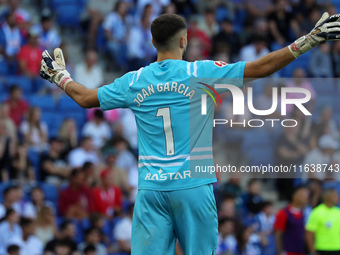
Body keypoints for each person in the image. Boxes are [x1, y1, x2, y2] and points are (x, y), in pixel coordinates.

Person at [39, 12, 340, 255]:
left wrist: (59, 75)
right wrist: (308, 40)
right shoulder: (201, 73)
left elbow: (86, 98)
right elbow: (260, 69)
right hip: (192, 186)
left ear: (154, 42)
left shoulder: (134, 80)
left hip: (151, 190)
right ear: (184, 40)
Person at [274, 186, 310, 255]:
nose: (306, 198)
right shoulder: (283, 213)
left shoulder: (306, 213)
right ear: (295, 196)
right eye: (303, 195)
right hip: (288, 251)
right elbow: (278, 235)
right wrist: (279, 252)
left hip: (302, 251)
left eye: (307, 196)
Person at [306, 187, 340, 255]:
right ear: (327, 197)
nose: (338, 197)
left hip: (338, 248)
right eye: (334, 195)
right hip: (322, 249)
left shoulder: (338, 212)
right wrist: (313, 251)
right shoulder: (317, 212)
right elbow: (309, 235)